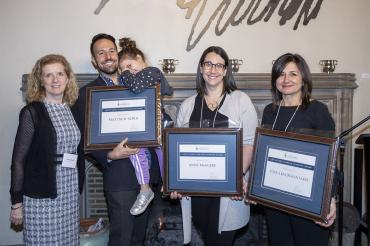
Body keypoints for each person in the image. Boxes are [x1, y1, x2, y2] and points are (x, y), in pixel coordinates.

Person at [72, 33, 160, 246]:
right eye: (101, 53)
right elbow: (82, 139)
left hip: (147, 178)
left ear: (117, 54)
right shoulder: (87, 93)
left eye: (111, 51)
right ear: (95, 61)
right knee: (122, 238)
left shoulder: (137, 83)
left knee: (140, 238)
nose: (108, 56)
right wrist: (110, 155)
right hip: (119, 177)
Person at [171, 46, 258, 245]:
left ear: (226, 70)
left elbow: (249, 143)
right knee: (209, 238)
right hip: (197, 192)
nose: (213, 69)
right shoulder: (188, 105)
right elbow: (178, 149)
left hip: (228, 194)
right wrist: (175, 182)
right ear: (201, 68)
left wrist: (235, 180)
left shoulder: (240, 101)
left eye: (219, 65)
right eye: (208, 64)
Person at [261, 53, 337, 246]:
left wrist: (330, 199)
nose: (286, 80)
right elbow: (263, 154)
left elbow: (330, 160)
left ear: (303, 79)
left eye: (293, 74)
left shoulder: (317, 110)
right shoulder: (269, 112)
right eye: (281, 74)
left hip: (308, 202)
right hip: (275, 200)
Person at [9, 54, 84, 245]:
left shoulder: (73, 109)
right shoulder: (32, 112)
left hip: (69, 189)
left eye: (60, 73)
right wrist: (16, 203)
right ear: (40, 80)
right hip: (42, 193)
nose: (55, 80)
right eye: (48, 75)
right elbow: (18, 160)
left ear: (68, 78)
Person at [117, 37, 173, 216]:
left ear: (143, 61)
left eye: (132, 65)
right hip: (138, 127)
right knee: (134, 151)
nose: (130, 71)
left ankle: (171, 182)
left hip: (158, 125)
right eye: (125, 68)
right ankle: (145, 189)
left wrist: (123, 73)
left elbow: (136, 85)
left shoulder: (152, 72)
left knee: (164, 152)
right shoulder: (126, 83)